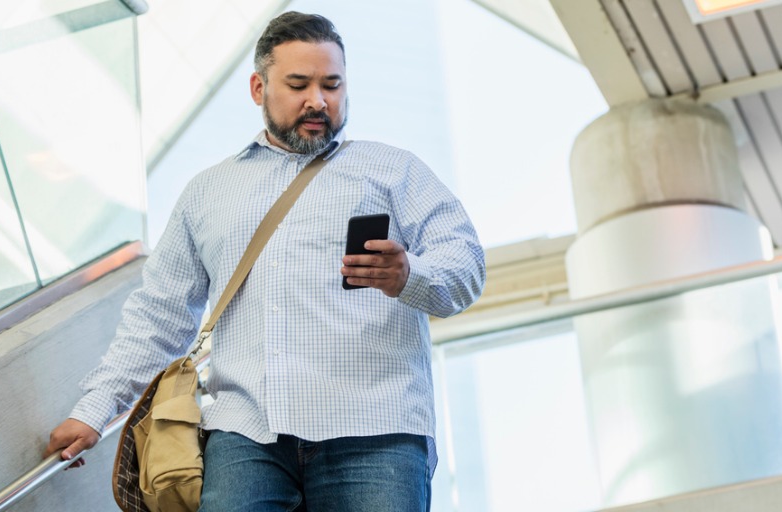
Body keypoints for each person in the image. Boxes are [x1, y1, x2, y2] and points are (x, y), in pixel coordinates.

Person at [45, 11, 485, 511]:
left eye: (332, 85)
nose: (318, 100)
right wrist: (94, 410)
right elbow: (159, 316)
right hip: (246, 435)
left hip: (375, 430)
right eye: (298, 84)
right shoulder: (208, 192)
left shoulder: (394, 170)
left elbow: (467, 266)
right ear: (258, 88)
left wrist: (410, 276)